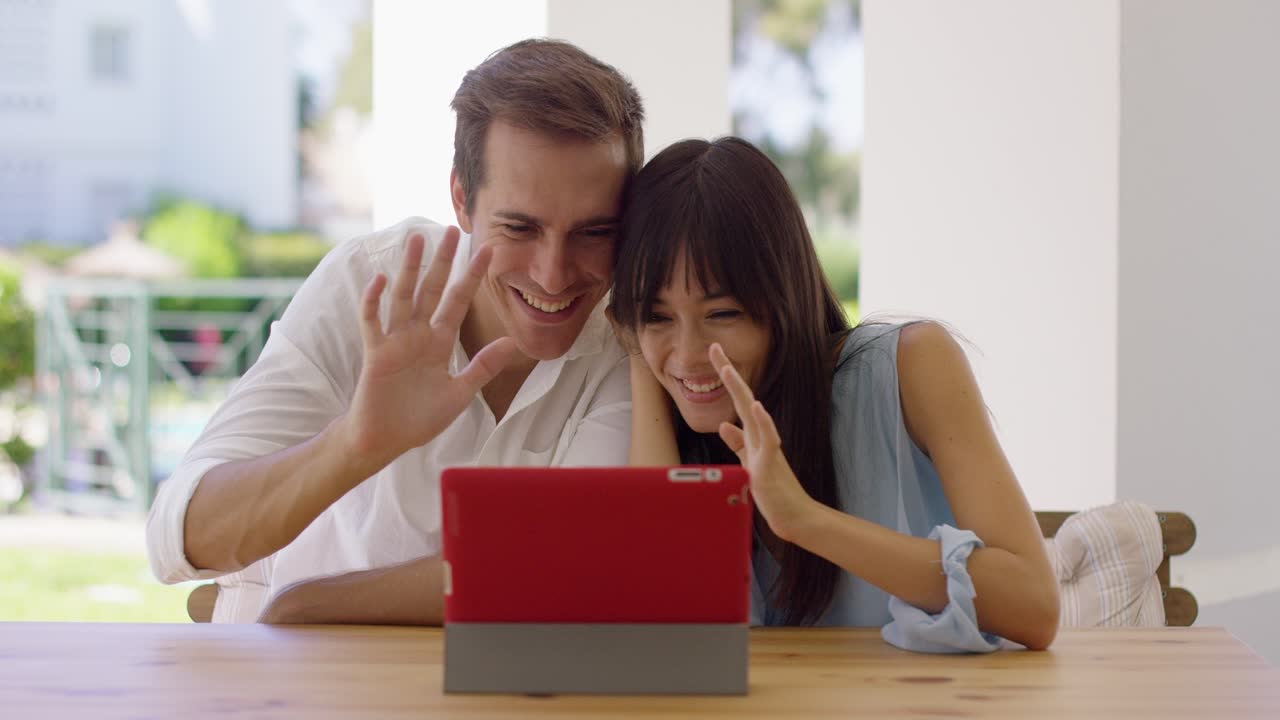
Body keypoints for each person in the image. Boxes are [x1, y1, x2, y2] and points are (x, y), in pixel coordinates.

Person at [147, 39, 645, 624]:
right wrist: (357, 443)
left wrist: (306, 606)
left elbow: (568, 564)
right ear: (462, 199)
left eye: (593, 232)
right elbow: (177, 541)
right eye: (520, 227)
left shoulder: (631, 330)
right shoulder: (369, 280)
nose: (554, 273)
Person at [608, 137, 1059, 651]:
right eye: (657, 316)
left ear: (783, 296)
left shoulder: (910, 365)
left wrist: (803, 519)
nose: (688, 355)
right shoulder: (670, 419)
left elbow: (1035, 605)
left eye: (723, 313)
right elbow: (667, 631)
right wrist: (641, 360)